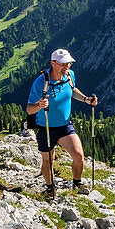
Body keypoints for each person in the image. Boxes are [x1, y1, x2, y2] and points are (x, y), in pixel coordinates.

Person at [27, 48, 98, 198]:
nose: (67, 67)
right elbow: (29, 109)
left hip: (65, 126)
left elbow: (72, 91)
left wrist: (86, 99)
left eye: (69, 63)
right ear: (53, 63)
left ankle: (77, 183)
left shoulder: (70, 76)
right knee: (48, 160)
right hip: (44, 127)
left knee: (79, 156)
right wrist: (39, 105)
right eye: (64, 64)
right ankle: (50, 187)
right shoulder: (40, 82)